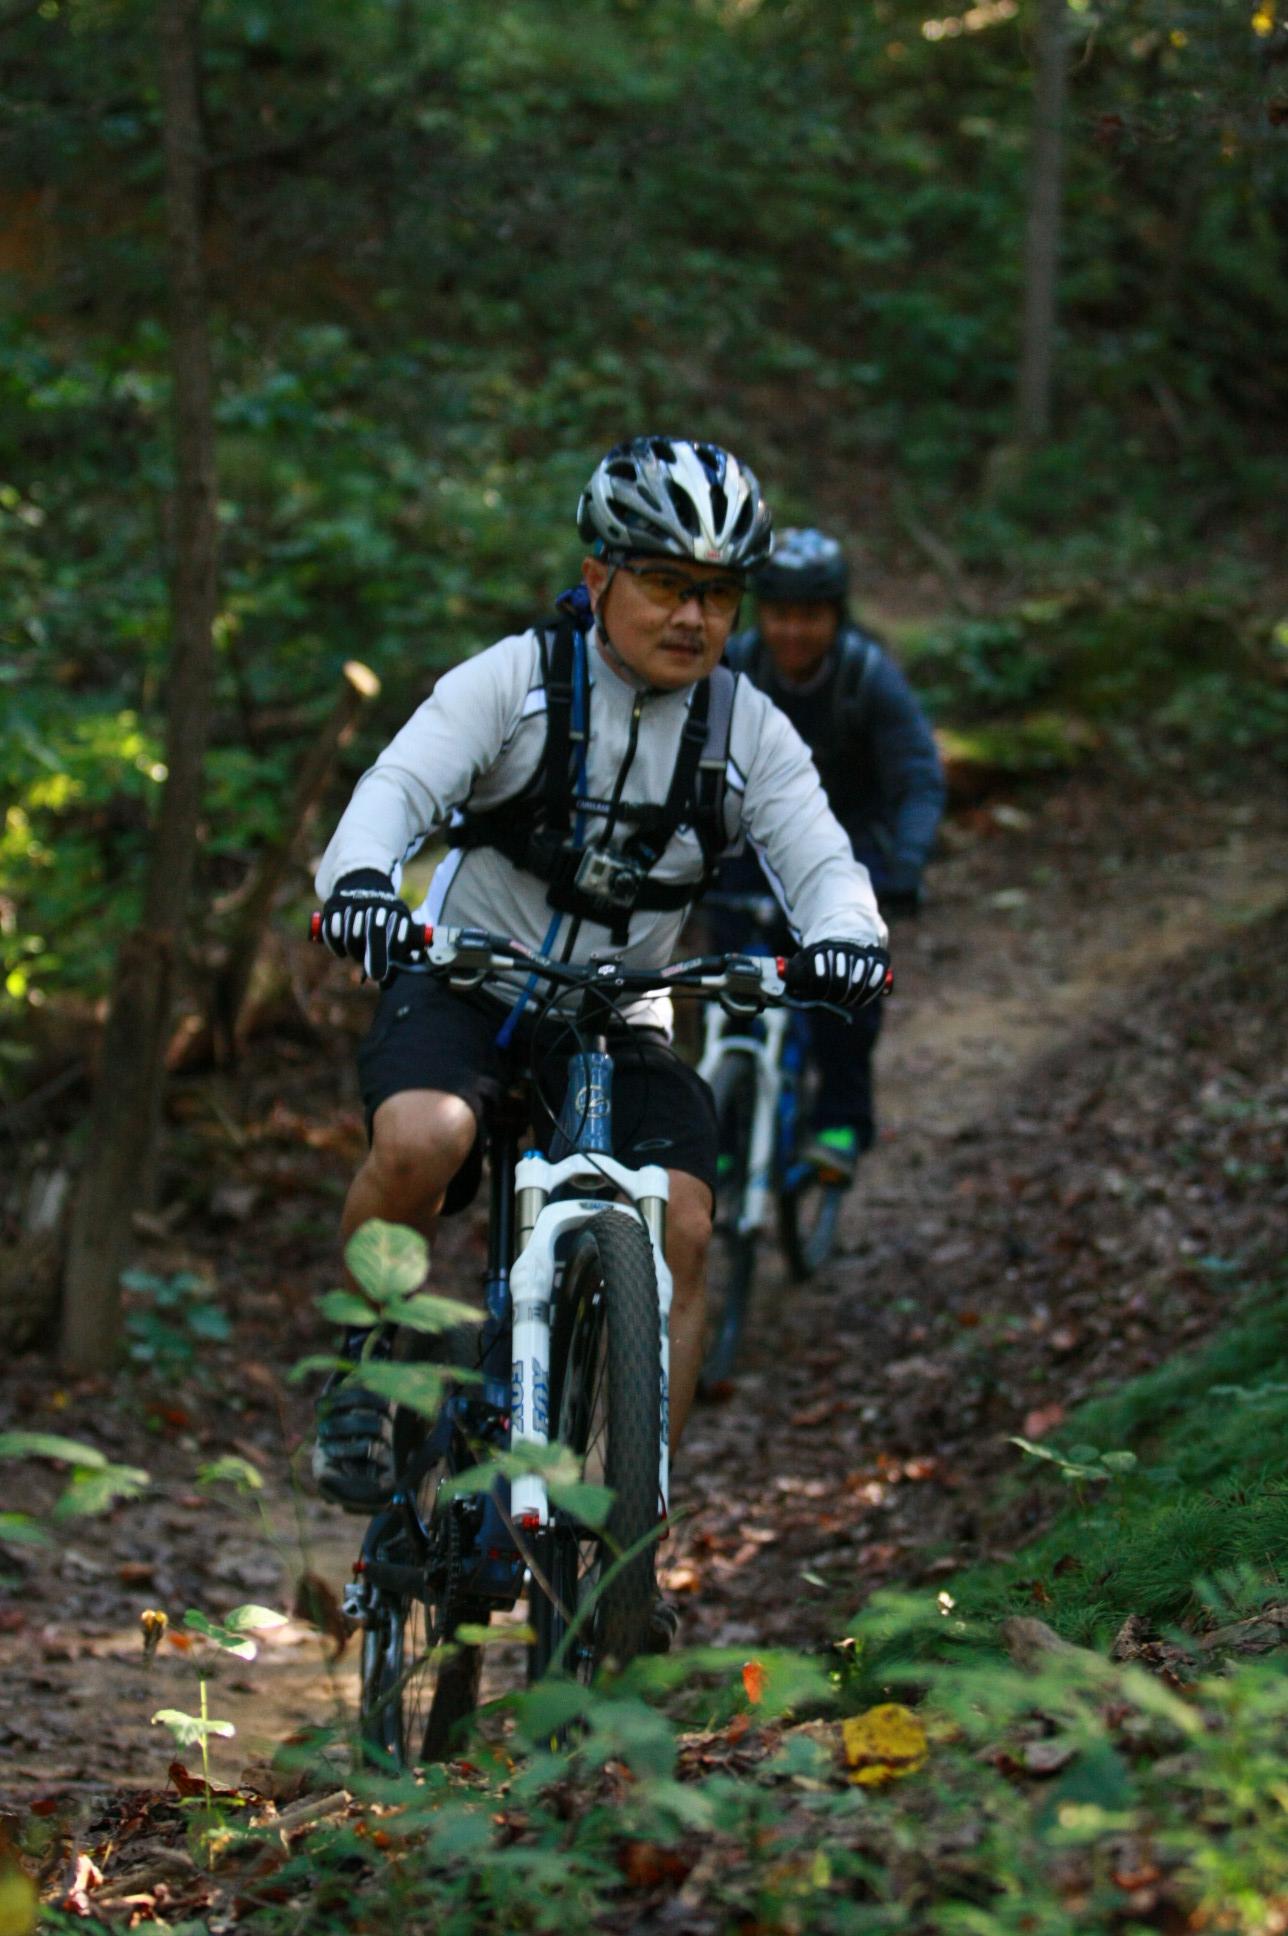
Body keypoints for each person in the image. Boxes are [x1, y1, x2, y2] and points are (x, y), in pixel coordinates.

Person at [311, 440, 890, 1571]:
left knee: (680, 1222)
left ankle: (635, 1544)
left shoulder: (745, 728)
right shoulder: (512, 681)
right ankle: (364, 1363)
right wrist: (365, 890)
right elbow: (393, 794)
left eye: (719, 594)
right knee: (425, 1133)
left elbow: (821, 859)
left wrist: (847, 943)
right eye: (669, 583)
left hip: (624, 1010)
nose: (694, 615)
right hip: (469, 978)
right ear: (598, 575)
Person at [715, 527, 944, 1181]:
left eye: (809, 615)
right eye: (780, 614)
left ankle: (840, 1117)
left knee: (845, 987)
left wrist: (907, 860)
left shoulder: (865, 678)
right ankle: (726, 1121)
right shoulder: (733, 671)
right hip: (750, 850)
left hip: (847, 852)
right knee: (728, 987)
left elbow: (917, 775)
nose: (793, 631)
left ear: (834, 617)